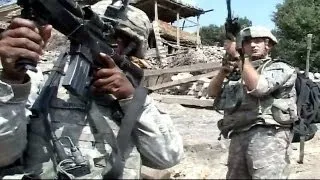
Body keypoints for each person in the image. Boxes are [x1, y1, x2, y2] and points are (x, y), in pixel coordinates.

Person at [0, 0, 183, 179]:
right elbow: (3, 155)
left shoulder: (134, 98)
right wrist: (13, 79)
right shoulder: (38, 82)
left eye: (123, 40)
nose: (114, 44)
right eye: (110, 37)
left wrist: (131, 99)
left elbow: (168, 158)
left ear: (132, 50)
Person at [208, 26, 297, 179]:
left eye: (258, 41)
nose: (253, 45)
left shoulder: (280, 67)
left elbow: (259, 88)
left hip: (268, 133)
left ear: (268, 45)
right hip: (238, 132)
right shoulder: (239, 70)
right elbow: (212, 93)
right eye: (247, 42)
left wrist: (239, 56)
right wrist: (223, 72)